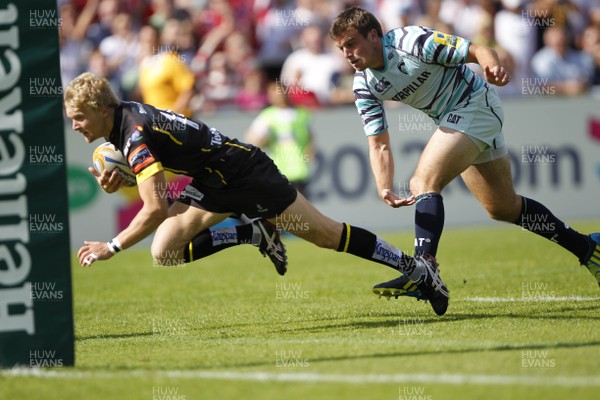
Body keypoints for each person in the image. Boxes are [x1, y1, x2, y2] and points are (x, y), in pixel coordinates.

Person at [64, 72, 450, 315]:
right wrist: (127, 178)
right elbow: (160, 172)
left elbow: (153, 207)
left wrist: (110, 246)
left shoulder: (132, 135)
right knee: (164, 252)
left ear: (100, 108)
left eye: (79, 117)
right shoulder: (126, 121)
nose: (76, 125)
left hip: (246, 174)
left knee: (327, 235)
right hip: (212, 179)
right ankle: (252, 233)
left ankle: (417, 269)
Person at [328, 7, 600, 303]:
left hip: (476, 104)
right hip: (458, 119)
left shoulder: (411, 42)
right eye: (341, 48)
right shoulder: (363, 83)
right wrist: (384, 185)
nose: (347, 53)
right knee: (503, 207)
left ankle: (424, 269)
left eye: (351, 43)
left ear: (373, 35)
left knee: (422, 182)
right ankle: (588, 249)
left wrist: (492, 66)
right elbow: (378, 142)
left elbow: (479, 50)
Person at [244, 80, 314, 198]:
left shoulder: (302, 113)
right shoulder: (267, 116)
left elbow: (309, 136)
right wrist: (265, 140)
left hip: (300, 170)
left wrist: (310, 151)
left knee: (303, 207)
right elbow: (252, 139)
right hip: (279, 170)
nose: (279, 95)